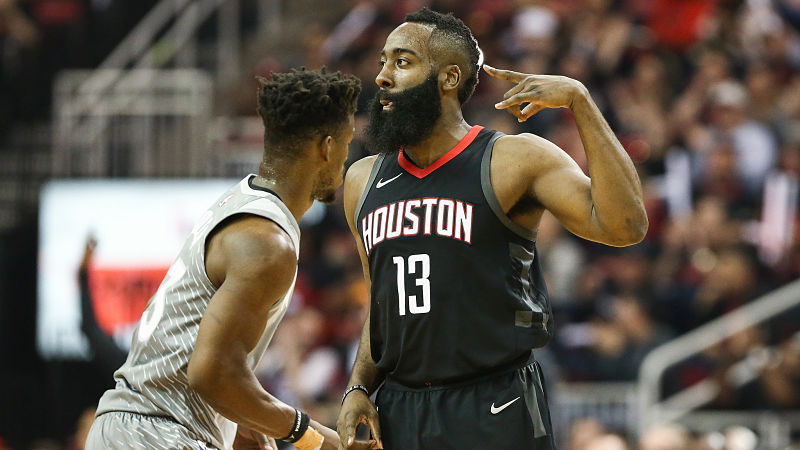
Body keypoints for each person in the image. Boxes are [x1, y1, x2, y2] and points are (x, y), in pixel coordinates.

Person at [337, 8, 648, 450]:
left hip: (494, 399)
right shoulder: (362, 180)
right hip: (400, 406)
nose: (383, 76)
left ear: (448, 78)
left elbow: (626, 225)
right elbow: (382, 305)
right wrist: (358, 386)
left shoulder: (514, 158)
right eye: (384, 61)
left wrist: (581, 101)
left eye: (402, 62)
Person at [85, 68, 365, 450]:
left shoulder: (242, 204)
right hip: (159, 430)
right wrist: (312, 438)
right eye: (348, 144)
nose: (348, 160)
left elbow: (216, 373)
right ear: (327, 147)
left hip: (136, 427)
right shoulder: (268, 243)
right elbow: (212, 373)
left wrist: (256, 431)